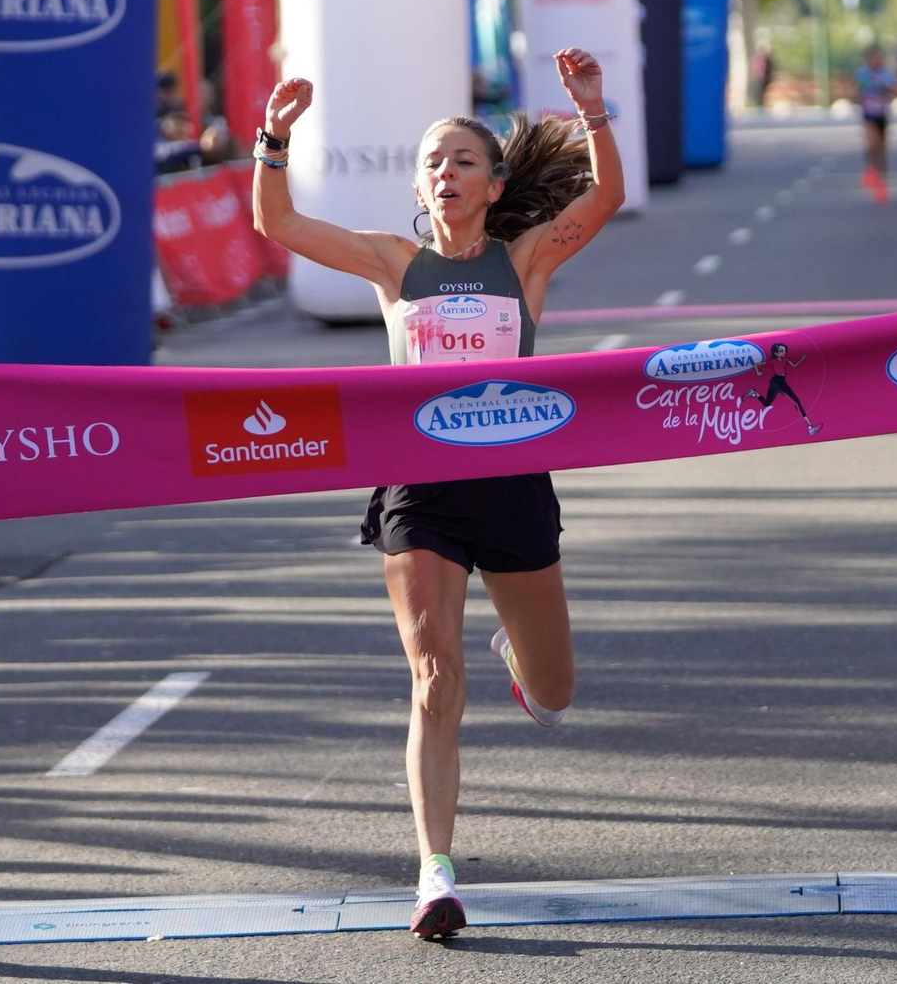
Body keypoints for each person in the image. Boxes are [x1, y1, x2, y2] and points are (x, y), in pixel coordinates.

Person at [252, 50, 624, 939]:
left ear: (494, 185)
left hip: (514, 485)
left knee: (558, 689)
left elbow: (602, 199)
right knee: (431, 680)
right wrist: (273, 136)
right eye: (431, 161)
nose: (444, 172)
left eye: (461, 160)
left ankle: (520, 663)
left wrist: (595, 112)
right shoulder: (394, 264)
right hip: (421, 489)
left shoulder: (524, 260)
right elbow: (279, 223)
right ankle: (435, 872)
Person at [853, 46, 897, 204]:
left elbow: (896, 90)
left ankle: (882, 181)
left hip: (882, 114)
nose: (876, 61)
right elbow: (854, 91)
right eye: (873, 58)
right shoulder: (862, 74)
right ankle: (870, 170)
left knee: (882, 148)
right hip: (868, 114)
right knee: (872, 143)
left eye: (879, 58)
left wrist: (885, 88)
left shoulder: (886, 74)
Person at [745, 343, 822, 435]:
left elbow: (794, 365)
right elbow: (756, 364)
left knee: (767, 403)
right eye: (781, 351)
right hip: (777, 381)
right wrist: (758, 372)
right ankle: (810, 428)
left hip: (779, 381)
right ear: (776, 353)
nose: (784, 352)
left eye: (784, 350)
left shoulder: (786, 359)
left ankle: (754, 393)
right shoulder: (772, 361)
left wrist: (802, 359)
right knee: (796, 402)